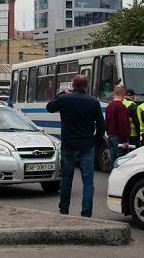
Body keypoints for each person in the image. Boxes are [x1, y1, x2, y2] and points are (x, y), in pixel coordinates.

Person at [46, 75, 105, 217]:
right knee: (88, 181)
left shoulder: (64, 99)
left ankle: (64, 209)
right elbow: (101, 126)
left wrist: (62, 93)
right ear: (87, 86)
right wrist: (94, 141)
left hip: (68, 144)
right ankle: (86, 212)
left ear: (73, 85)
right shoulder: (93, 102)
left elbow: (49, 107)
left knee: (66, 178)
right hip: (87, 145)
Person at [105, 85, 130, 170]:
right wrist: (125, 140)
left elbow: (107, 122)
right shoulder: (121, 107)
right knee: (121, 162)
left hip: (110, 136)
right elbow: (122, 125)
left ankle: (112, 177)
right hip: (119, 138)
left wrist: (109, 134)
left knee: (113, 159)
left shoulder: (109, 106)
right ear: (123, 93)